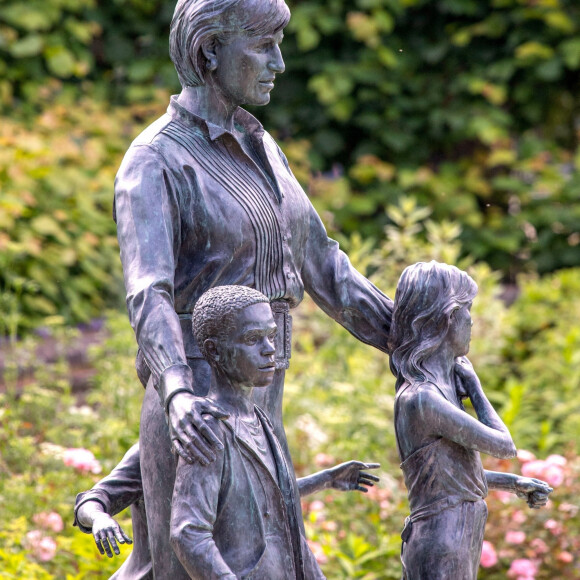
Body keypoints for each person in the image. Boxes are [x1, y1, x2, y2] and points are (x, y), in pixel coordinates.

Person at [113, 0, 393, 575]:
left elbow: (325, 267)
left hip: (257, 391)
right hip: (196, 400)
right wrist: (176, 392)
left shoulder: (263, 147)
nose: (279, 63)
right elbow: (149, 291)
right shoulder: (156, 159)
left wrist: (414, 339)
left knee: (275, 556)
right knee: (185, 563)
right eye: (263, 44)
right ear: (210, 49)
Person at [74, 287, 380, 579]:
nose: (270, 350)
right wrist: (99, 518)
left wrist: (327, 479)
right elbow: (187, 532)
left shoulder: (256, 419)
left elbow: (252, 500)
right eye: (252, 339)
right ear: (213, 353)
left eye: (272, 336)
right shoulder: (199, 433)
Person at [388, 261, 552, 580]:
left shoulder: (440, 389)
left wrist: (513, 483)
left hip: (458, 535)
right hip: (442, 542)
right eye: (468, 310)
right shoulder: (423, 399)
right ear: (449, 318)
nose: (472, 321)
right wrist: (476, 389)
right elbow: (505, 446)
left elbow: (450, 478)